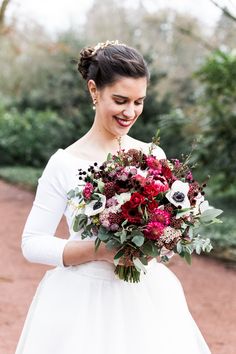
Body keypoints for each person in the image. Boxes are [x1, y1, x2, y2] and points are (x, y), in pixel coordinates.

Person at [15, 40, 211, 354]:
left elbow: (165, 242)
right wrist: (100, 249)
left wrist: (160, 243)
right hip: (81, 302)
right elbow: (32, 242)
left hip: (147, 298)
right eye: (120, 100)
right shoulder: (64, 163)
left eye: (139, 101)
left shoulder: (152, 154)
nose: (130, 112)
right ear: (94, 90)